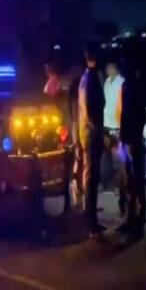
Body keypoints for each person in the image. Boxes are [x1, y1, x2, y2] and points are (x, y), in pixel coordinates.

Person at [117, 61, 146, 239]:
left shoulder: (133, 87)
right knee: (131, 180)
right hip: (128, 138)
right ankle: (132, 218)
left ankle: (137, 220)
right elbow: (127, 114)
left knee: (135, 180)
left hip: (132, 139)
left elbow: (137, 114)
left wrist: (130, 136)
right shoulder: (128, 86)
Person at [78, 45, 106, 238]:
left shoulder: (88, 77)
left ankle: (92, 220)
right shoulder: (90, 78)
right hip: (91, 133)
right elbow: (89, 110)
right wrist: (100, 132)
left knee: (92, 177)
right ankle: (90, 223)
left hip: (89, 132)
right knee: (91, 177)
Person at [102, 59, 126, 214]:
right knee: (107, 163)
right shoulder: (107, 82)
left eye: (110, 66)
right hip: (106, 127)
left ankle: (123, 199)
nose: (108, 68)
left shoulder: (121, 82)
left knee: (120, 166)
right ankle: (116, 190)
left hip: (118, 129)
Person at [67, 64, 84, 210]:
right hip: (78, 130)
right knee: (78, 163)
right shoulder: (78, 90)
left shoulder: (74, 90)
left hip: (76, 129)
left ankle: (77, 197)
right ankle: (77, 196)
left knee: (78, 164)